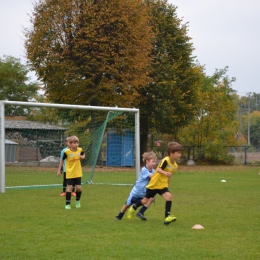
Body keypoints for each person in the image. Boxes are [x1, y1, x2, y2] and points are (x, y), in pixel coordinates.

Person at [127, 142, 182, 225]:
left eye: (180, 153)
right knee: (145, 201)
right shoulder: (166, 160)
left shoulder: (175, 166)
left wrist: (167, 185)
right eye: (178, 153)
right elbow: (159, 170)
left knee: (169, 197)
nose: (180, 154)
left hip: (162, 185)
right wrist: (165, 173)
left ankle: (167, 217)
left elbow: (169, 176)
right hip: (154, 184)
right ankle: (134, 207)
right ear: (171, 153)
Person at [115, 151, 157, 221]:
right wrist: (160, 173)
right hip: (136, 192)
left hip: (145, 193)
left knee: (151, 199)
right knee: (127, 205)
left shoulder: (153, 171)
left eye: (155, 162)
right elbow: (152, 177)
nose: (154, 163)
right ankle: (119, 216)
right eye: (153, 161)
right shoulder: (144, 170)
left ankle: (141, 212)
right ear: (147, 161)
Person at [57, 135, 85, 209]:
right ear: (70, 144)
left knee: (79, 188)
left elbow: (83, 154)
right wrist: (59, 170)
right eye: (74, 143)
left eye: (77, 143)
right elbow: (62, 160)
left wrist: (82, 157)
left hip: (78, 172)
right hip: (70, 173)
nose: (76, 144)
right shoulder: (67, 152)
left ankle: (77, 202)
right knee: (69, 187)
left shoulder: (80, 150)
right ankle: (67, 204)